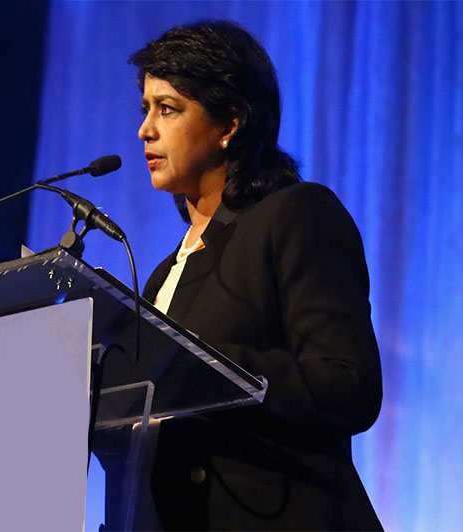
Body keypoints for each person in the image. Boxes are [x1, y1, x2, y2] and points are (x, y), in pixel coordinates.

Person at [129, 20, 383, 530]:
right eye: (145, 109)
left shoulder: (297, 214)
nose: (145, 130)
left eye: (168, 109)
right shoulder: (162, 276)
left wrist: (203, 366)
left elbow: (347, 384)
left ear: (229, 123)